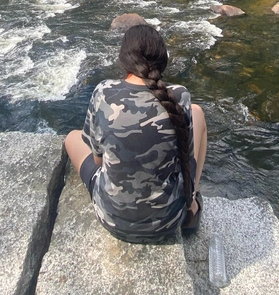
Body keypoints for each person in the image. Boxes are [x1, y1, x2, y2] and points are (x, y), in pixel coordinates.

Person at [65, 24, 207, 244]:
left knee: (71, 138)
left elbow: (98, 160)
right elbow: (185, 160)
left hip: (112, 219)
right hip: (169, 221)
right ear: (163, 60)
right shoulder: (180, 96)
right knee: (197, 113)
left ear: (124, 60)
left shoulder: (103, 92)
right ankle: (191, 202)